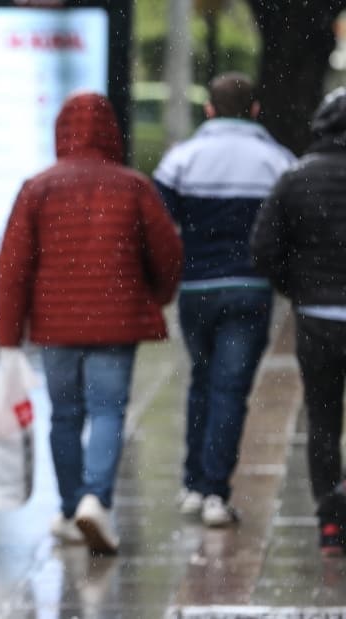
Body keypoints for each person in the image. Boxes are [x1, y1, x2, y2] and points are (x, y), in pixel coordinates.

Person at [0, 91, 183, 555]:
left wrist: (7, 337)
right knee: (107, 411)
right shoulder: (134, 186)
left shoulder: (37, 187)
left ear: (61, 132)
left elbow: (13, 267)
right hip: (116, 323)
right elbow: (168, 252)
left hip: (55, 326)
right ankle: (96, 499)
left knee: (64, 415)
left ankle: (67, 507)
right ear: (111, 132)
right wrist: (156, 295)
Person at [153, 72, 296, 527]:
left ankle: (192, 484)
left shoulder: (182, 158)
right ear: (255, 109)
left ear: (209, 110)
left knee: (202, 380)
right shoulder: (279, 162)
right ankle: (216, 490)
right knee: (231, 391)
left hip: (195, 292)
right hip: (251, 290)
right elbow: (292, 226)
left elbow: (159, 224)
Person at [251, 87, 346, 556]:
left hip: (317, 317)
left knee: (323, 420)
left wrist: (299, 288)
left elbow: (264, 249)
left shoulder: (295, 178)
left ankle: (330, 521)